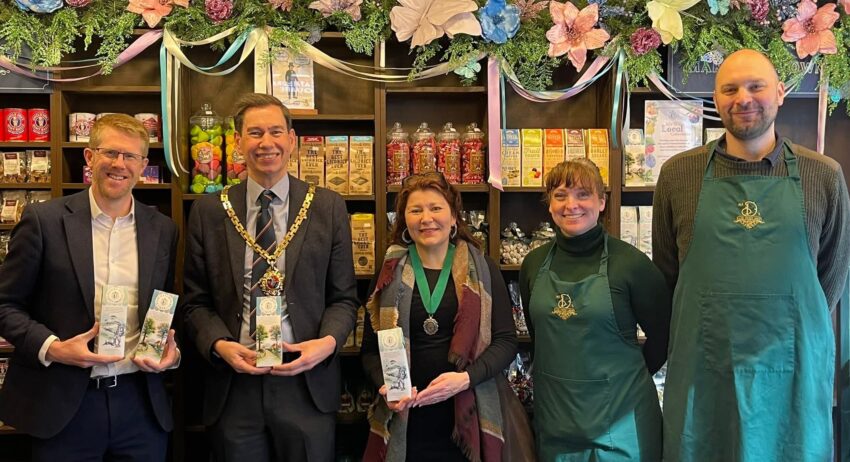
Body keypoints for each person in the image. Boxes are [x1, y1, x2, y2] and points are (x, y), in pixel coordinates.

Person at [653, 49, 850, 461]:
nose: (743, 98)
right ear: (715, 99)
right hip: (704, 377)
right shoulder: (678, 175)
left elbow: (828, 284)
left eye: (756, 86)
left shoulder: (823, 175)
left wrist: (789, 319)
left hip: (793, 380)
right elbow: (668, 276)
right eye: (730, 89)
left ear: (780, 92)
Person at [182, 93, 359, 461]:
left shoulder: (327, 206)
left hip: (305, 382)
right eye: (255, 133)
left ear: (291, 140)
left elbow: (343, 298)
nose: (267, 143)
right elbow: (195, 302)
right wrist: (219, 345)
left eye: (276, 132)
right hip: (234, 385)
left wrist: (326, 343)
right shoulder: (209, 211)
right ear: (238, 142)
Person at [0, 114, 179, 461]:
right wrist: (54, 348)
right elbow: (5, 304)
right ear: (89, 157)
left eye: (130, 156)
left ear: (143, 165)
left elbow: (166, 304)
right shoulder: (44, 221)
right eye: (110, 152)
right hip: (64, 405)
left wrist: (172, 352)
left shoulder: (163, 229)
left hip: (140, 404)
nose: (119, 164)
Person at [519, 159, 670, 461]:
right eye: (560, 196)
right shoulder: (533, 265)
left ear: (601, 202)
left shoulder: (631, 265)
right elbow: (539, 340)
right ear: (550, 205)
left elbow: (665, 337)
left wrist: (619, 381)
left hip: (622, 425)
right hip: (556, 424)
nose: (571, 205)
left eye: (583, 194)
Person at [361, 172, 518, 461]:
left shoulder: (484, 269)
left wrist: (465, 379)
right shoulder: (388, 272)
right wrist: (386, 384)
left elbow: (506, 342)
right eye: (416, 210)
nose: (426, 218)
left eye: (436, 208)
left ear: (454, 216)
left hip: (467, 415)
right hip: (406, 419)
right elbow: (370, 352)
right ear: (404, 219)